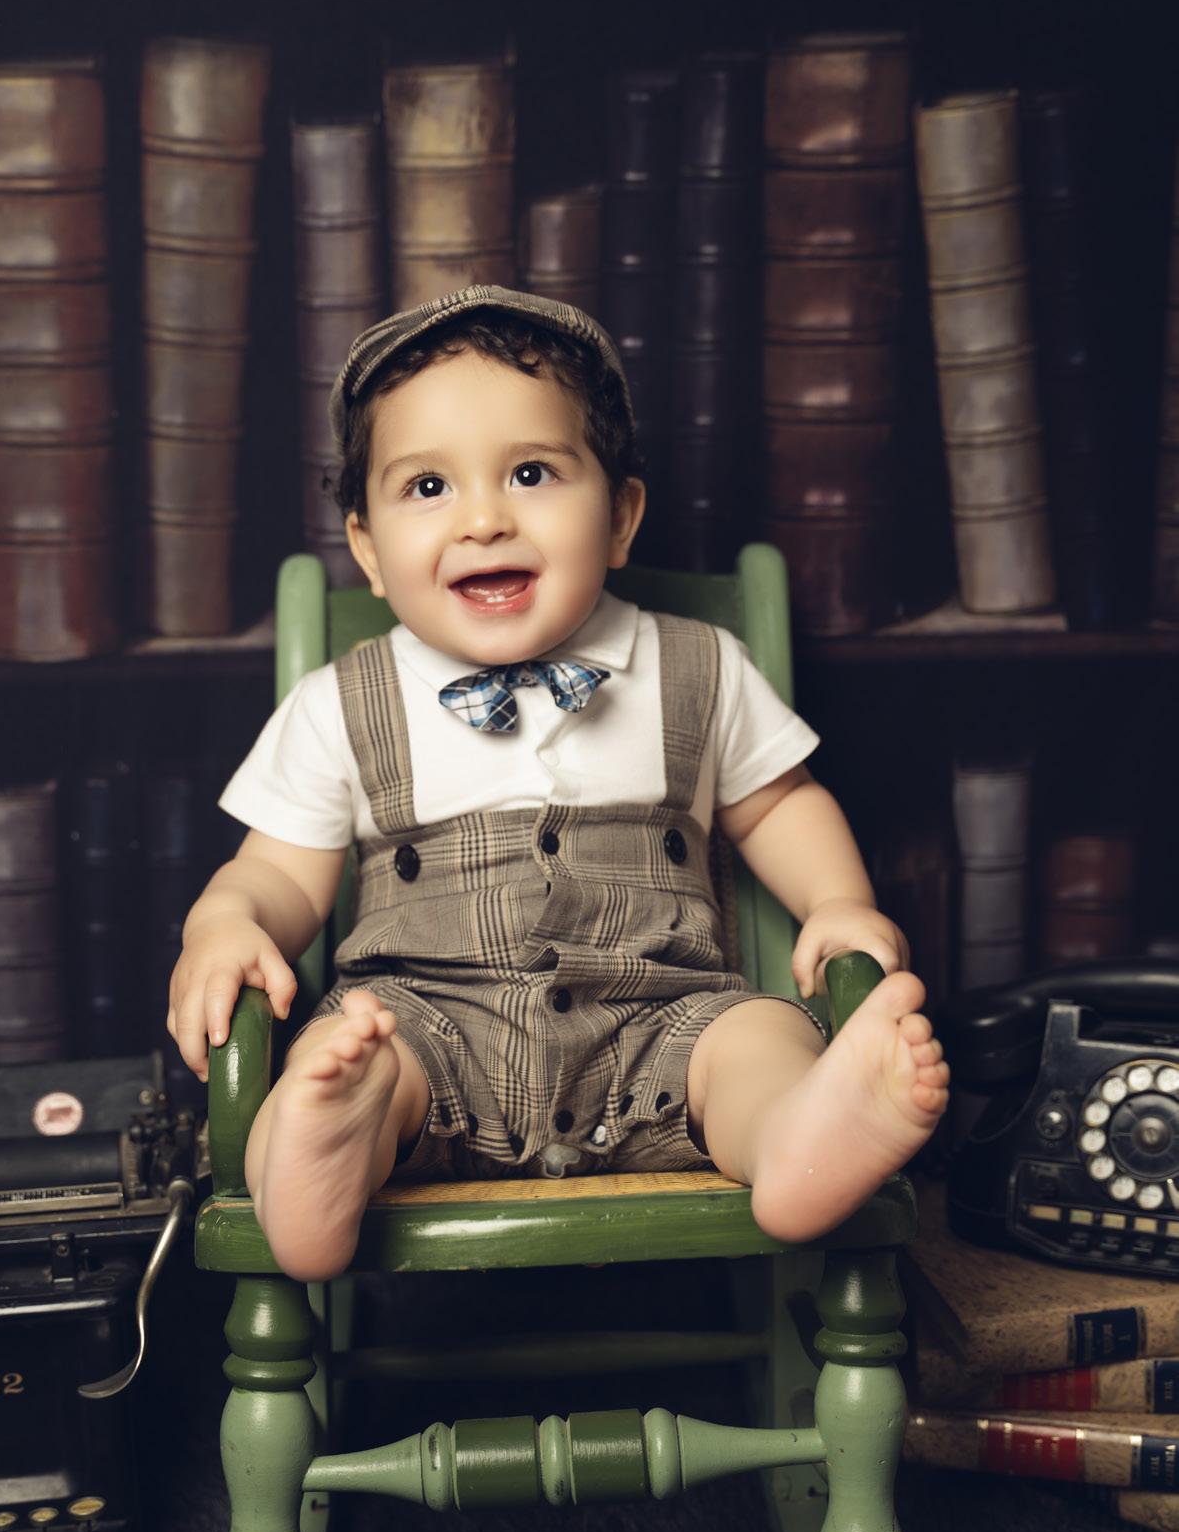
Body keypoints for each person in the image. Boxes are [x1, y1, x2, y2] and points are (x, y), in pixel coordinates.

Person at [168, 285, 949, 1281]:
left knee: (753, 1037)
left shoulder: (696, 666)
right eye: (427, 487)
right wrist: (225, 921)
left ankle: (800, 1139)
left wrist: (837, 903)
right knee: (362, 1057)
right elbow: (280, 871)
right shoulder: (343, 702)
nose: (483, 519)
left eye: (530, 473)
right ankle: (327, 1141)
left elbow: (780, 803)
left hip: (661, 1023)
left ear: (620, 515)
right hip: (431, 1028)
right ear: (367, 548)